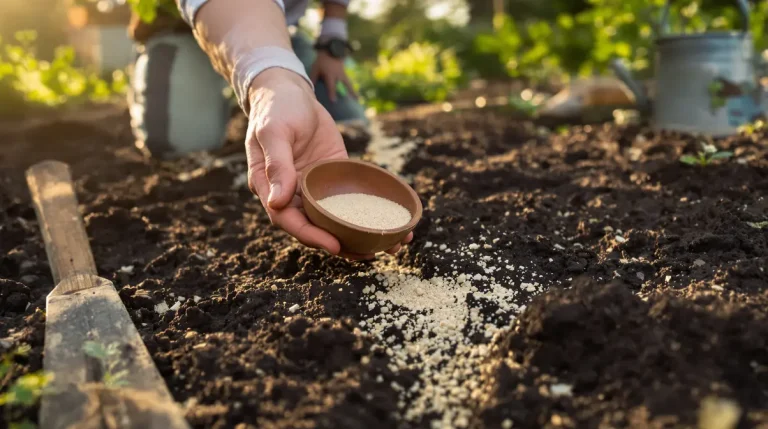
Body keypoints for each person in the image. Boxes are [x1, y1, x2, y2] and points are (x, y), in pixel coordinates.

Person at [128, 0, 412, 259]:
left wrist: (331, 42)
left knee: (346, 115)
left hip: (280, 27)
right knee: (178, 143)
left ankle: (261, 85)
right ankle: (225, 88)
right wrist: (270, 84)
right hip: (191, 24)